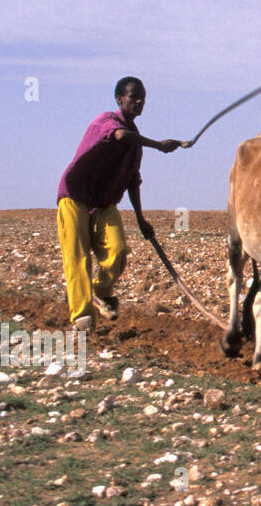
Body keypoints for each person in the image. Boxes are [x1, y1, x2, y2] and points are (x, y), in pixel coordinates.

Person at [56, 77, 181, 330]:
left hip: (104, 204)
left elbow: (132, 181)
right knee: (77, 257)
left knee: (118, 251)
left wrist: (141, 219)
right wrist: (159, 145)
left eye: (142, 97)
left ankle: (101, 291)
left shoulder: (136, 147)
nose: (139, 101)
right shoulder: (105, 121)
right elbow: (119, 135)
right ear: (119, 99)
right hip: (75, 196)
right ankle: (82, 317)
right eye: (134, 96)